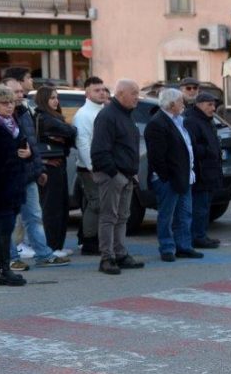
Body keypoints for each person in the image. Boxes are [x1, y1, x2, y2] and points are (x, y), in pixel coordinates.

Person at [3, 77, 71, 270]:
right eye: (15, 92)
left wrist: (38, 168)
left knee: (34, 217)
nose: (20, 95)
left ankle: (43, 254)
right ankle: (10, 258)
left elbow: (32, 144)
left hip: (27, 174)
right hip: (7, 177)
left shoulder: (24, 113)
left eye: (20, 91)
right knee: (7, 220)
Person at [90, 79, 145, 275]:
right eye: (134, 93)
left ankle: (120, 254)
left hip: (126, 175)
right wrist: (115, 174)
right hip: (112, 176)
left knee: (122, 217)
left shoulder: (126, 115)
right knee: (109, 217)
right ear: (121, 94)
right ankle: (107, 258)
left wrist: (131, 173)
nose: (137, 98)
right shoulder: (108, 116)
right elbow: (99, 151)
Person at [144, 88, 203, 262]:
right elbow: (156, 156)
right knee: (167, 216)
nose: (183, 105)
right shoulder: (157, 123)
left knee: (184, 214)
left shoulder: (179, 120)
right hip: (169, 179)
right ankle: (167, 248)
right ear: (171, 104)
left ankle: (183, 246)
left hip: (184, 176)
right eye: (180, 102)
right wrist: (167, 177)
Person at [0, 86, 30, 286]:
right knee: (5, 227)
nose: (10, 106)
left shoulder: (11, 122)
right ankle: (4, 270)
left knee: (5, 227)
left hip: (14, 182)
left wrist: (28, 154)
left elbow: (23, 147)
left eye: (11, 102)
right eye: (4, 103)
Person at [33, 86, 78, 254]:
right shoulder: (43, 118)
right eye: (52, 98)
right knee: (52, 208)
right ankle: (52, 247)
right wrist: (65, 134)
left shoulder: (53, 116)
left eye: (56, 98)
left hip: (58, 164)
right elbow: (70, 130)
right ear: (44, 99)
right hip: (49, 167)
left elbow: (69, 134)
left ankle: (57, 245)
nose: (56, 101)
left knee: (61, 207)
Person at [73, 76, 109, 256]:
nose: (102, 93)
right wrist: (92, 167)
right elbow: (83, 143)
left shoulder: (103, 111)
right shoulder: (84, 114)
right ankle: (89, 242)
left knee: (93, 204)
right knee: (96, 204)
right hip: (91, 168)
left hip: (102, 165)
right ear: (87, 93)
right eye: (97, 90)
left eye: (103, 89)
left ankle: (87, 238)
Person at [183, 91, 223, 248]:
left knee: (205, 206)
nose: (213, 108)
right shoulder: (192, 121)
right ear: (199, 105)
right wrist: (208, 150)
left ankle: (202, 235)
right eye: (209, 104)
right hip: (201, 172)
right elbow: (192, 147)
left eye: (214, 105)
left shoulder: (206, 120)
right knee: (199, 207)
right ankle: (197, 237)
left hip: (210, 171)